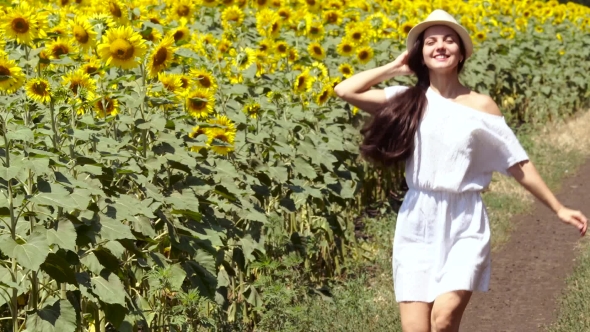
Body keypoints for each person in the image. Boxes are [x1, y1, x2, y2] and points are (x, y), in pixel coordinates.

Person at [334, 9, 588, 332]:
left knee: (443, 319)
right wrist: (395, 67)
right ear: (420, 55)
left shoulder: (481, 106)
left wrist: (559, 208)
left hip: (464, 221)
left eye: (449, 40)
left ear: (462, 52)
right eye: (430, 42)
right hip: (417, 220)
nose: (440, 46)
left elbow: (516, 161)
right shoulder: (408, 100)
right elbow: (345, 90)